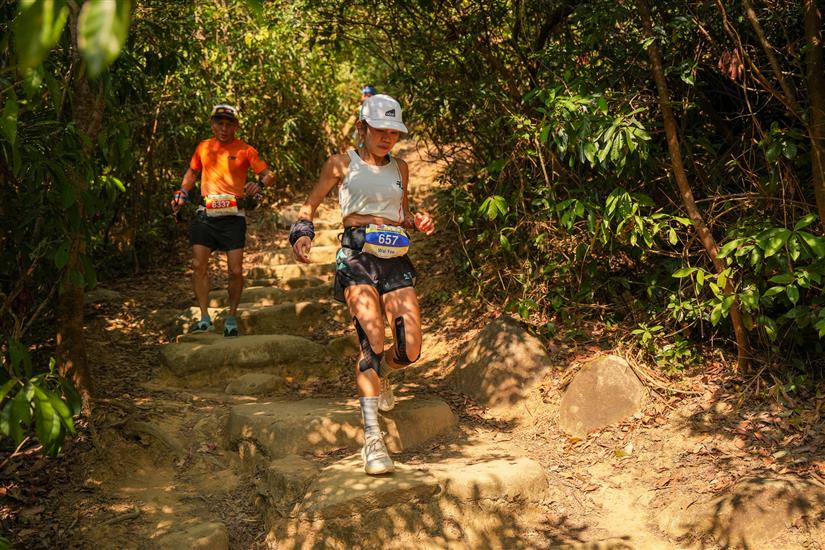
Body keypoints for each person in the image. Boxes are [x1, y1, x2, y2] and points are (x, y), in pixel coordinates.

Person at [290, 94, 435, 475]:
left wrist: (416, 221)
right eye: (380, 130)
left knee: (410, 349)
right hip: (356, 254)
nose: (387, 137)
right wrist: (302, 234)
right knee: (372, 337)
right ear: (362, 128)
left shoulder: (401, 167)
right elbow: (310, 205)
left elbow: (401, 214)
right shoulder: (341, 163)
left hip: (395, 256)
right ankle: (373, 439)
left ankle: (383, 375)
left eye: (394, 132)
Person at [171, 104, 276, 337]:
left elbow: (269, 174)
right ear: (212, 125)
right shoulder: (204, 147)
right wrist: (182, 193)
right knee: (198, 265)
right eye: (220, 123)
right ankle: (204, 318)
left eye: (229, 124)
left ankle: (231, 318)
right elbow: (192, 172)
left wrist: (258, 184)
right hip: (205, 214)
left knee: (235, 270)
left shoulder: (246, 150)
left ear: (236, 126)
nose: (224, 128)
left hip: (233, 216)